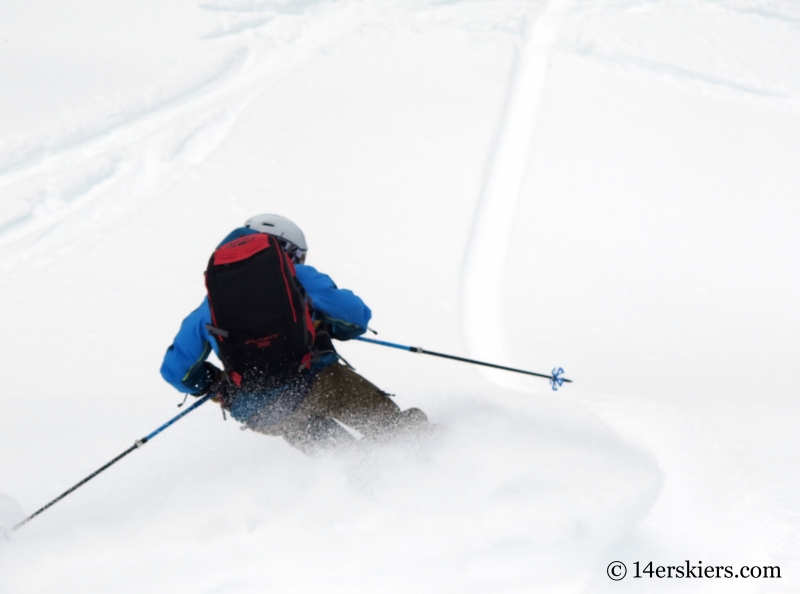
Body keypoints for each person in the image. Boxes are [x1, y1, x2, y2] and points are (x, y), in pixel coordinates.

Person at [160, 214, 428, 454]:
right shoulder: (297, 275)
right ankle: (437, 461)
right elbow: (355, 317)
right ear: (285, 248)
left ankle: (365, 493)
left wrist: (215, 385)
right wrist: (332, 328)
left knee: (345, 461)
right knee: (397, 435)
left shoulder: (211, 305)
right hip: (320, 383)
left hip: (265, 414)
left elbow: (175, 370)